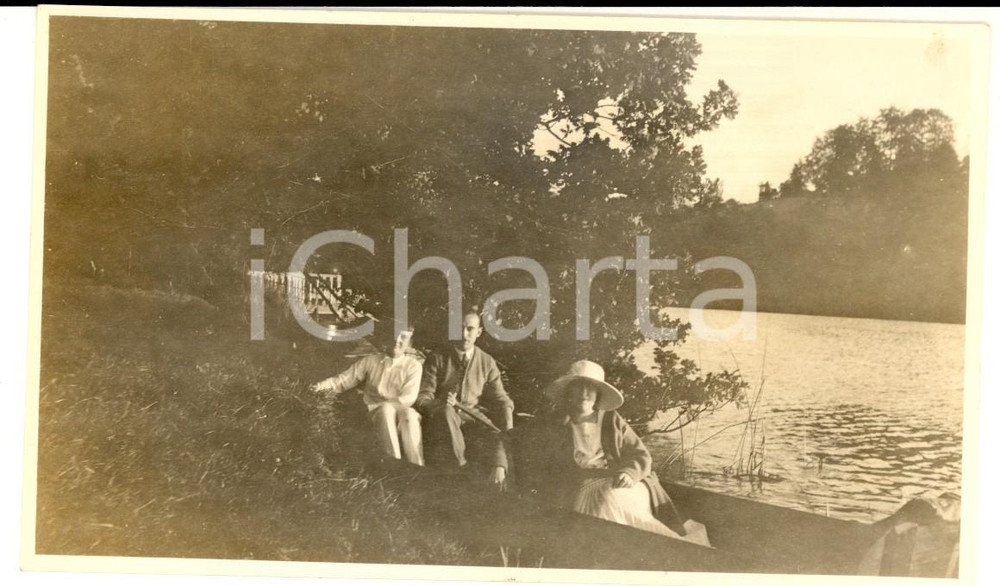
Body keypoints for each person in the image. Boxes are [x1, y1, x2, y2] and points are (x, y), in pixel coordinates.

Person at [496, 360, 710, 545]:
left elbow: (641, 455)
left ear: (598, 393)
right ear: (568, 391)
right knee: (601, 503)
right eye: (578, 387)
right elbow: (510, 438)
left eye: (590, 388)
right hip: (581, 487)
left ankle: (674, 545)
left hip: (622, 482)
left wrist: (629, 472)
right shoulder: (553, 422)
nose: (584, 394)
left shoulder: (611, 420)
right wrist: (500, 464)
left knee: (611, 499)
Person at [414, 310, 513, 488]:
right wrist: (439, 404)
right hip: (443, 415)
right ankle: (461, 472)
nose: (464, 334)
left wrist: (508, 419)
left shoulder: (487, 361)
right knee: (446, 413)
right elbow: (422, 397)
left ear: (479, 332)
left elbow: (502, 399)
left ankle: (502, 480)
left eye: (470, 329)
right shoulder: (437, 357)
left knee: (498, 438)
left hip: (472, 416)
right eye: (460, 328)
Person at [310, 327, 424, 466]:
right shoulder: (371, 361)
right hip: (374, 411)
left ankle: (417, 465)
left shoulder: (413, 366)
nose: (397, 341)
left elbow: (409, 397)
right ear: (385, 340)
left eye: (403, 338)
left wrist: (388, 406)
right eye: (393, 336)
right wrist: (315, 388)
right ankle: (394, 462)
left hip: (401, 410)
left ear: (409, 344)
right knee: (386, 410)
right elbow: (342, 381)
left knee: (410, 416)